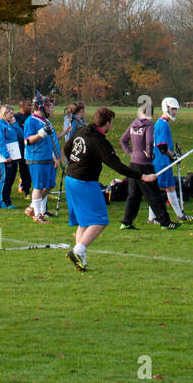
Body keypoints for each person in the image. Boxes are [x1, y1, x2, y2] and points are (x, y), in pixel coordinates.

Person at [63, 106, 161, 271]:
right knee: (100, 220)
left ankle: (81, 260)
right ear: (107, 123)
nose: (111, 126)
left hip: (70, 179)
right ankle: (77, 251)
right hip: (85, 183)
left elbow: (67, 149)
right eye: (111, 123)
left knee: (84, 221)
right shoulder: (100, 142)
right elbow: (118, 166)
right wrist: (143, 176)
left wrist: (75, 164)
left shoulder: (81, 131)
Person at [119, 104, 176, 229]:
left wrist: (131, 153)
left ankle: (126, 222)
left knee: (133, 195)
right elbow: (149, 141)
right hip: (144, 164)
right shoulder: (149, 125)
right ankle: (165, 222)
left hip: (133, 163)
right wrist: (149, 154)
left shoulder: (134, 124)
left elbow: (123, 140)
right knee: (154, 194)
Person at [153, 97, 193, 223]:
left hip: (164, 161)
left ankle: (178, 215)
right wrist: (173, 155)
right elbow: (162, 146)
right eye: (172, 109)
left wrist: (174, 155)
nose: (174, 112)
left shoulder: (163, 123)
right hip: (161, 162)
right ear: (166, 108)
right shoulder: (162, 124)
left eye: (175, 110)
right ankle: (155, 217)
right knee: (160, 189)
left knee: (168, 187)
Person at [23, 97, 61, 223]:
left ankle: (33, 207)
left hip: (47, 158)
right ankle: (38, 215)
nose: (52, 109)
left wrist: (56, 157)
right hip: (37, 157)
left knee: (50, 185)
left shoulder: (46, 121)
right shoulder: (31, 121)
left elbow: (51, 141)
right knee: (38, 187)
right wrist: (40, 134)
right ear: (41, 107)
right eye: (49, 106)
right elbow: (27, 141)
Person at [0, 105, 23, 209]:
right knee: (4, 178)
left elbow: (20, 135)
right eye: (10, 114)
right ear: (4, 114)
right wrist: (6, 155)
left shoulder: (10, 125)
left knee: (11, 178)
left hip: (14, 156)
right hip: (5, 157)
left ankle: (7, 200)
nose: (12, 116)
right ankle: (1, 201)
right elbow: (0, 141)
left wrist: (15, 124)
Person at [16, 100, 34, 196]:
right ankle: (25, 188)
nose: (30, 107)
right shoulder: (17, 117)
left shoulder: (31, 117)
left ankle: (30, 187)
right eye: (28, 105)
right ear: (22, 106)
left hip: (31, 146)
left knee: (30, 167)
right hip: (21, 146)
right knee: (23, 167)